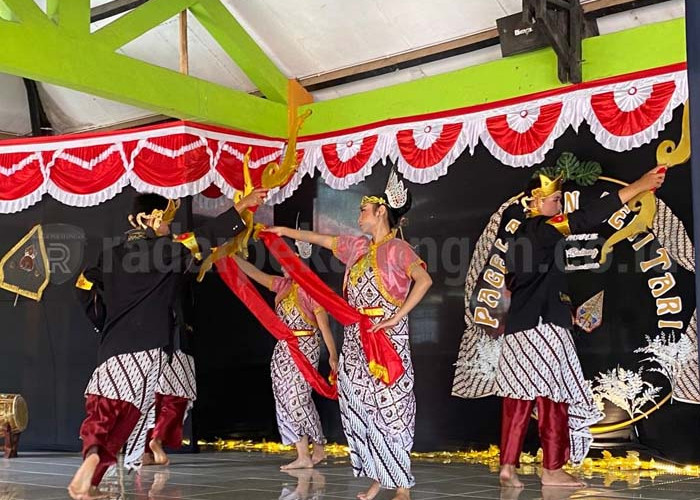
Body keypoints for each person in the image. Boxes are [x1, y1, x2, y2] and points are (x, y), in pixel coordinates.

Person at [69, 188, 267, 500]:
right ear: (151, 218)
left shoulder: (111, 254)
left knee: (107, 411)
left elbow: (84, 285)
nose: (167, 228)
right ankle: (92, 467)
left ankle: (90, 473)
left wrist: (103, 320)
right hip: (145, 346)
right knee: (125, 414)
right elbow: (206, 235)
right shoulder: (162, 249)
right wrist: (240, 206)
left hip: (111, 347)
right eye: (165, 221)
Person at [268, 170, 432, 500]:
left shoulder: (398, 248)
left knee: (392, 409)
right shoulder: (357, 247)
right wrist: (284, 231)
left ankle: (401, 485)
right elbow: (324, 241)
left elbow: (423, 280)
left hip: (387, 339)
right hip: (357, 337)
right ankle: (377, 475)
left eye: (363, 209)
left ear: (381, 211)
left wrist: (397, 317)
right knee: (359, 406)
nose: (358, 215)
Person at [498, 168, 666, 489]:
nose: (560, 206)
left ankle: (508, 466)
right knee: (555, 399)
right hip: (544, 330)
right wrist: (639, 185)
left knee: (518, 398)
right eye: (556, 199)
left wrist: (565, 309)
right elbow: (586, 218)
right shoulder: (546, 229)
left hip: (519, 331)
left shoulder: (517, 238)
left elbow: (521, 286)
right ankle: (552, 469)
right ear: (537, 201)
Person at [233, 253, 339, 470]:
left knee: (298, 400)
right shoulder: (282, 285)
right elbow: (253, 273)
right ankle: (304, 454)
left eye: (285, 262)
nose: (281, 267)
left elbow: (325, 328)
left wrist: (333, 356)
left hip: (306, 347)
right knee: (284, 401)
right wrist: (231, 256)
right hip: (283, 350)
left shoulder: (311, 291)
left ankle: (318, 444)